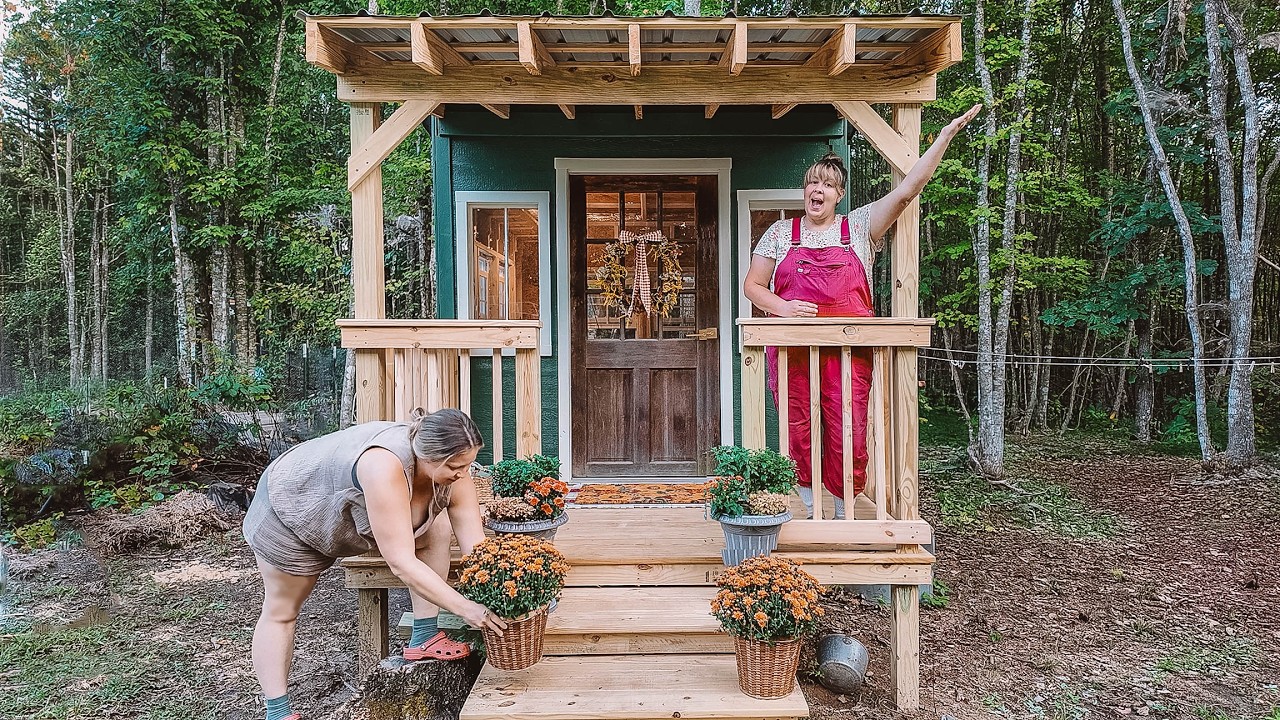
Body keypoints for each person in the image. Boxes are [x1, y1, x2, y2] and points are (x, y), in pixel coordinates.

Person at [744, 104, 982, 519]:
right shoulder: (781, 233)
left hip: (849, 353)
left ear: (839, 195)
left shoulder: (858, 228)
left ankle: (844, 510)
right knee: (798, 429)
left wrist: (944, 136)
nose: (817, 189)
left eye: (827, 184)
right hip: (792, 351)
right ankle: (810, 506)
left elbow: (907, 191)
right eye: (812, 182)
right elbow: (753, 286)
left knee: (848, 429)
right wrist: (784, 307)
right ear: (804, 191)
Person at [242, 408, 508, 720]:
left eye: (468, 465)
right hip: (293, 508)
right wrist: (466, 608)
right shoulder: (382, 465)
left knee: (436, 525)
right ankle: (278, 713)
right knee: (282, 611)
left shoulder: (453, 470)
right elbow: (401, 563)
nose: (464, 474)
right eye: (456, 466)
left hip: (350, 513)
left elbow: (477, 549)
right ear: (428, 456)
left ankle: (424, 635)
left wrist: (504, 590)